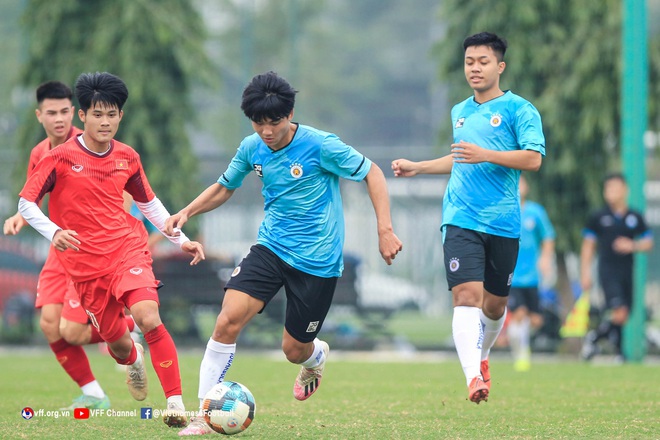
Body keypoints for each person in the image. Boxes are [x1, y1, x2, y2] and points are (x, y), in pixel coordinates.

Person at [166, 71, 402, 436]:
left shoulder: (321, 145)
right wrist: (187, 212)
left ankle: (316, 357)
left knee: (294, 349)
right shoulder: (251, 147)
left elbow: (372, 172)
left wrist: (384, 230)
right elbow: (225, 186)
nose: (266, 131)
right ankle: (203, 414)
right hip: (270, 248)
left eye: (273, 122)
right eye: (258, 123)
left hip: (318, 262)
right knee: (227, 320)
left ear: (290, 113)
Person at [17, 72, 205, 427]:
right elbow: (26, 203)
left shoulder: (128, 156)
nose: (105, 122)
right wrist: (53, 231)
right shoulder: (58, 157)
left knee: (149, 316)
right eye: (97, 114)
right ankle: (133, 361)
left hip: (126, 250)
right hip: (85, 268)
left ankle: (176, 403)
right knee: (119, 347)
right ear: (83, 116)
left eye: (112, 114)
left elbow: (149, 204)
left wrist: (182, 239)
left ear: (121, 116)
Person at [391, 32, 545, 404]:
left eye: (483, 61)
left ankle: (484, 356)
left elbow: (533, 159)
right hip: (460, 218)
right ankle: (473, 377)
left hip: (504, 222)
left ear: (500, 66)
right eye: (469, 62)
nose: (475, 68)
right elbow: (461, 157)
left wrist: (487, 154)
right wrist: (419, 167)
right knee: (466, 296)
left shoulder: (519, 110)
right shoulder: (459, 111)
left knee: (494, 306)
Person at [3, 80, 141, 411]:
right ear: (40, 116)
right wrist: (21, 217)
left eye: (65, 111)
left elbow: (121, 193)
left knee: (73, 331)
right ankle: (93, 393)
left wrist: (113, 236)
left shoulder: (90, 142)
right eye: (52, 113)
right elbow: (34, 196)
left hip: (89, 250)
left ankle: (127, 329)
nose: (59, 119)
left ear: (74, 112)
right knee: (51, 325)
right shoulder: (40, 152)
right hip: (58, 248)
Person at [580, 173, 653, 362]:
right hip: (607, 271)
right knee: (618, 310)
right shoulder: (599, 217)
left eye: (614, 188)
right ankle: (609, 348)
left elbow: (648, 242)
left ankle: (603, 343)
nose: (610, 192)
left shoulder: (635, 216)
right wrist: (585, 272)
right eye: (607, 188)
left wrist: (632, 245)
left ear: (624, 190)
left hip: (627, 271)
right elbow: (588, 245)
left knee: (624, 314)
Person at [507, 174, 555, 371]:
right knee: (519, 314)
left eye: (521, 183)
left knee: (535, 320)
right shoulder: (504, 212)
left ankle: (518, 345)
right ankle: (521, 354)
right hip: (511, 275)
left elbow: (548, 237)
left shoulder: (536, 212)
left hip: (532, 277)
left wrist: (545, 259)